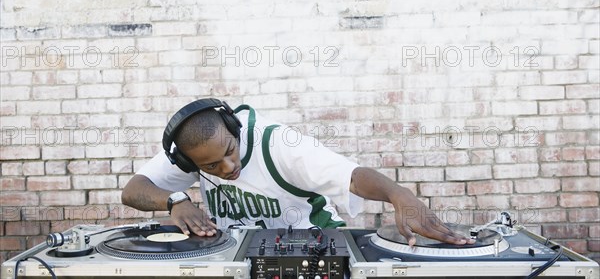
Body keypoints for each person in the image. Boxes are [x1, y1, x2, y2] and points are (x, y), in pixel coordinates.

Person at [122, 98, 473, 246]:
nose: (227, 168)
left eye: (230, 152)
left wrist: (401, 196)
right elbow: (133, 189)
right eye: (210, 166)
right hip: (237, 253)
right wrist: (175, 201)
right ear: (189, 162)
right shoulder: (193, 148)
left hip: (313, 247)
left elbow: (351, 175)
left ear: (234, 129)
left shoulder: (281, 144)